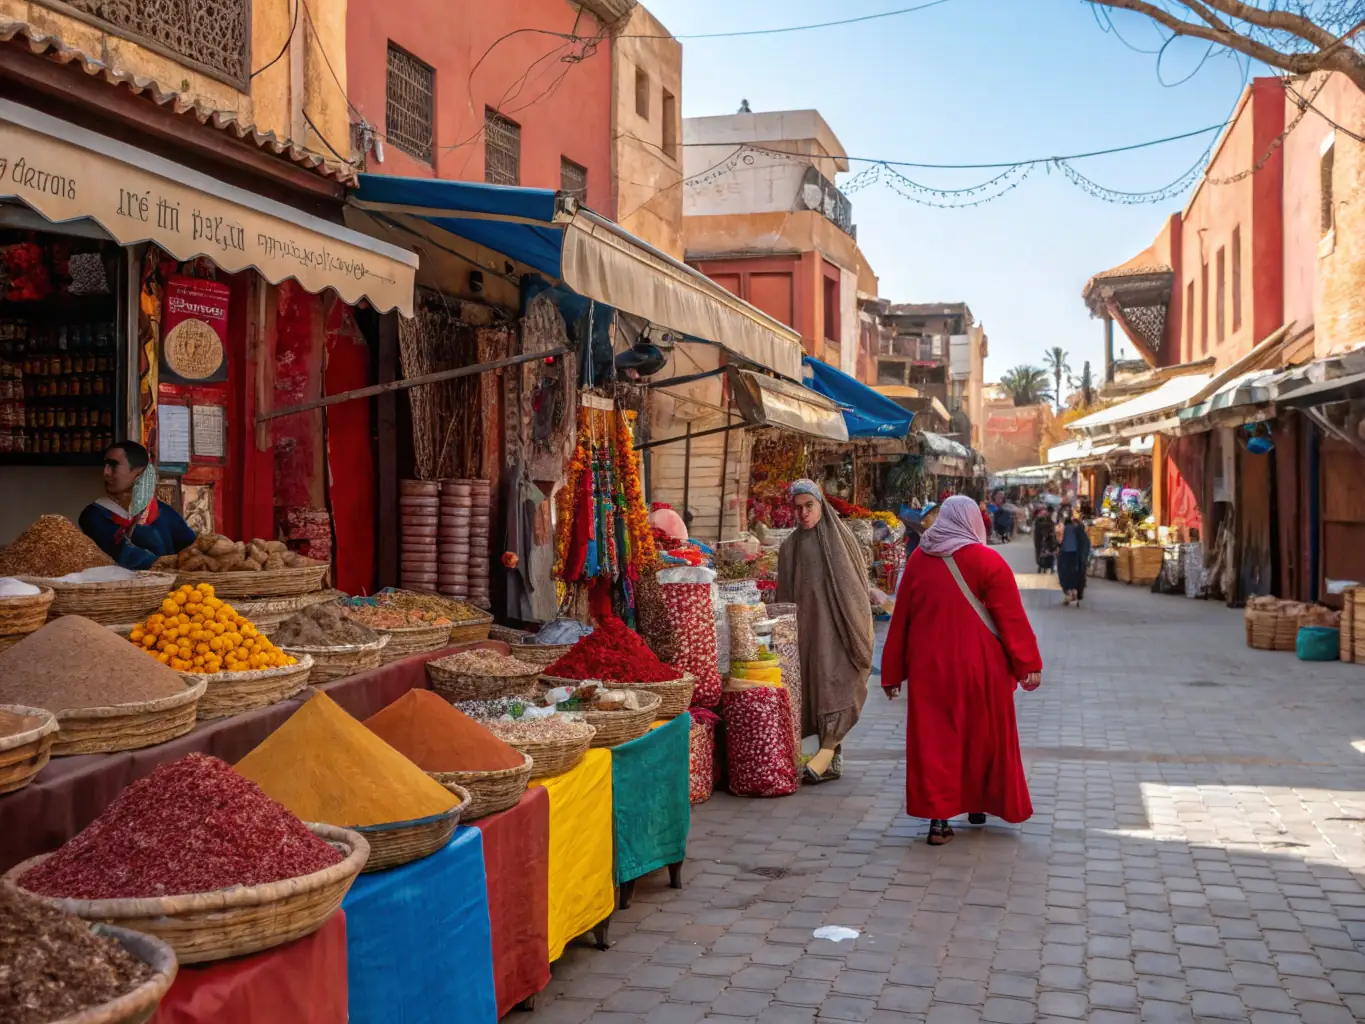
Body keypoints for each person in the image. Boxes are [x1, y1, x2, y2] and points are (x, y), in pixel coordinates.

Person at [879, 495, 1043, 845]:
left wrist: (891, 673)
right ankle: (979, 804)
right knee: (983, 737)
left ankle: (938, 822)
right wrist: (1029, 664)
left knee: (937, 741)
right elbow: (1011, 619)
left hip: (930, 671)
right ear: (974, 522)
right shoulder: (989, 561)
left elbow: (901, 621)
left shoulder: (919, 560)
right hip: (982, 670)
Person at [776, 479, 875, 785]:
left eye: (810, 506)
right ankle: (829, 756)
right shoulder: (789, 547)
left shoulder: (840, 540)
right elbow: (784, 597)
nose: (804, 513)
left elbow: (854, 589)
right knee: (815, 689)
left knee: (836, 686)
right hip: (807, 634)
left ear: (821, 505)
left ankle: (828, 750)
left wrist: (854, 628)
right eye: (798, 508)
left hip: (839, 631)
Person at [79, 442, 195, 570]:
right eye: (105, 465)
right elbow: (125, 555)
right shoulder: (94, 515)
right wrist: (169, 563)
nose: (106, 473)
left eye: (113, 465)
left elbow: (191, 548)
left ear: (138, 474)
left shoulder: (162, 511)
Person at [1057, 505, 1092, 606]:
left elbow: (1058, 541)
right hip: (1076, 555)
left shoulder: (1062, 529)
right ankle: (1074, 593)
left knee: (1065, 574)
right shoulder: (1080, 530)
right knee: (1075, 574)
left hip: (1065, 554)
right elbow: (1086, 544)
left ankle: (1069, 594)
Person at [1033, 506, 1058, 572]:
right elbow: (1039, 525)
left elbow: (1052, 525)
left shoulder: (1049, 519)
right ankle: (1040, 564)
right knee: (1040, 551)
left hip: (1048, 539)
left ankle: (1049, 565)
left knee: (1049, 551)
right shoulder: (1039, 519)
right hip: (1040, 538)